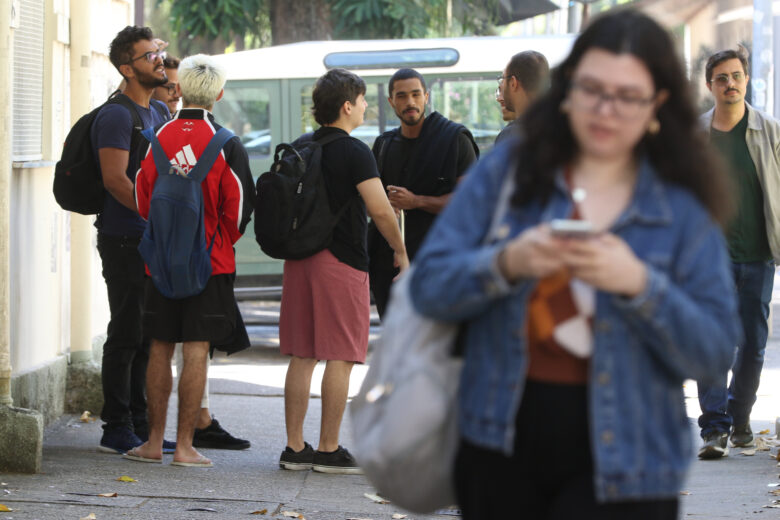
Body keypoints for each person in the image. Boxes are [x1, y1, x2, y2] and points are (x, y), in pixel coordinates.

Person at [409, 10, 739, 519]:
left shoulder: (680, 203)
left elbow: (713, 351)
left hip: (633, 459)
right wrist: (506, 262)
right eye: (591, 89)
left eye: (627, 96)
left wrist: (640, 284)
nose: (605, 111)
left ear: (658, 103)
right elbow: (428, 286)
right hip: (500, 444)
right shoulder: (509, 171)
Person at [278, 68, 408, 474]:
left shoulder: (303, 145)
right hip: (341, 262)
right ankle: (328, 449)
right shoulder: (354, 151)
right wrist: (401, 250)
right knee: (340, 356)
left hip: (299, 260)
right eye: (364, 99)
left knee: (302, 355)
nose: (367, 105)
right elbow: (380, 209)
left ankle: (294, 449)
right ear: (347, 106)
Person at [128, 54, 255, 466]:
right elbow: (237, 211)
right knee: (196, 350)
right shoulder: (226, 143)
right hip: (209, 264)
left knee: (160, 347)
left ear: (178, 89)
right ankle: (185, 447)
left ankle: (152, 443)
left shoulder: (156, 137)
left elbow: (142, 199)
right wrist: (215, 242)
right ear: (219, 94)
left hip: (159, 262)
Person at [696, 47, 780, 459]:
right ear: (710, 85)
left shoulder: (771, 131)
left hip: (758, 255)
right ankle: (714, 428)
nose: (730, 84)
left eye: (736, 76)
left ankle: (739, 418)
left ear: (747, 80)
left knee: (752, 345)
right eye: (721, 78)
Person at [92, 25, 172, 454]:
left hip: (152, 238)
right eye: (149, 56)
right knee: (125, 332)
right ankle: (115, 426)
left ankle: (142, 426)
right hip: (124, 238)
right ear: (127, 68)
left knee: (147, 334)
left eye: (158, 52)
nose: (159, 60)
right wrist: (153, 212)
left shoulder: (157, 113)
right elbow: (114, 179)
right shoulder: (117, 115)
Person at [368, 68, 478, 318]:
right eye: (402, 96)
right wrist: (386, 206)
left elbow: (467, 203)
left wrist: (416, 201)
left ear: (426, 97)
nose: (410, 102)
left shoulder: (454, 139)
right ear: (391, 102)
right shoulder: (384, 145)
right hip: (390, 267)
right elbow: (368, 204)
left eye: (416, 95)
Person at [494, 50, 549, 144]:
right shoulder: (563, 128)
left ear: (513, 83)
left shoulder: (510, 136)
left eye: (503, 79)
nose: (499, 98)